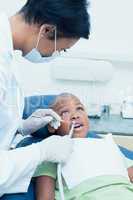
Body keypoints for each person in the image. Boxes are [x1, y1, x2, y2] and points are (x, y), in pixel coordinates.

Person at [0, 0, 90, 197]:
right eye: (61, 49)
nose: (57, 54)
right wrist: (40, 152)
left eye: (79, 109)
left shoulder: (8, 53)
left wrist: (20, 126)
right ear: (47, 30)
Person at [34, 93, 133, 200]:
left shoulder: (107, 146)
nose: (75, 115)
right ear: (52, 125)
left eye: (79, 108)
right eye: (65, 112)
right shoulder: (51, 153)